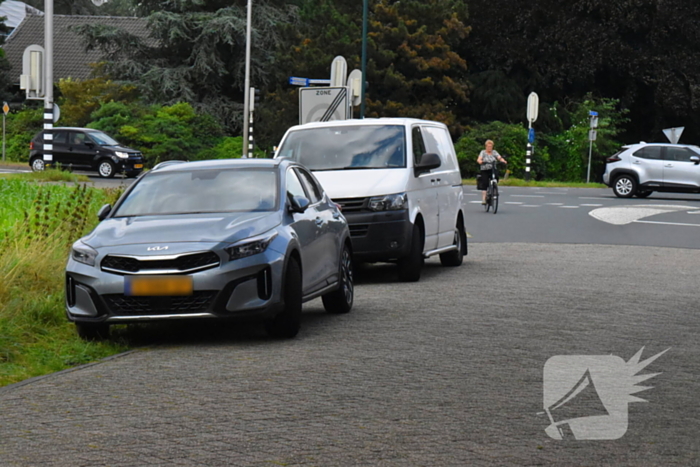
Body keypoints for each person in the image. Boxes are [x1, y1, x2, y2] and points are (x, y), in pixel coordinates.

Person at [477, 140, 507, 204]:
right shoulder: (483, 152)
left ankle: (494, 189)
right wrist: (480, 161)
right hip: (484, 169)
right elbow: (479, 159)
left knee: (496, 177)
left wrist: (503, 160)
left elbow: (499, 157)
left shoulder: (494, 152)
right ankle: (484, 199)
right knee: (484, 183)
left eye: (491, 147)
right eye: (488, 146)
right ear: (486, 146)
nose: (489, 148)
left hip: (492, 169)